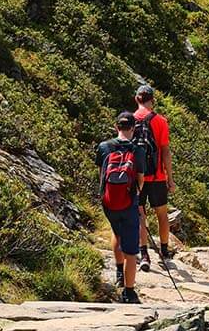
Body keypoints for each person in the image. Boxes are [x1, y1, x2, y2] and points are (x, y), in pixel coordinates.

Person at [96, 112, 145, 303]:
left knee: (116, 233)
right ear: (133, 128)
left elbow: (101, 175)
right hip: (129, 201)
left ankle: (118, 272)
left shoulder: (104, 147)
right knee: (131, 250)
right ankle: (129, 291)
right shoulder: (138, 150)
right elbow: (140, 179)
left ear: (117, 127)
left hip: (109, 202)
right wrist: (136, 195)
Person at [133, 84, 175, 272]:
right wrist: (170, 178)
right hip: (157, 176)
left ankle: (144, 254)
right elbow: (165, 151)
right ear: (152, 100)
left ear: (137, 99)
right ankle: (164, 251)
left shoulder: (129, 120)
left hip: (137, 177)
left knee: (140, 214)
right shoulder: (161, 121)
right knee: (162, 214)